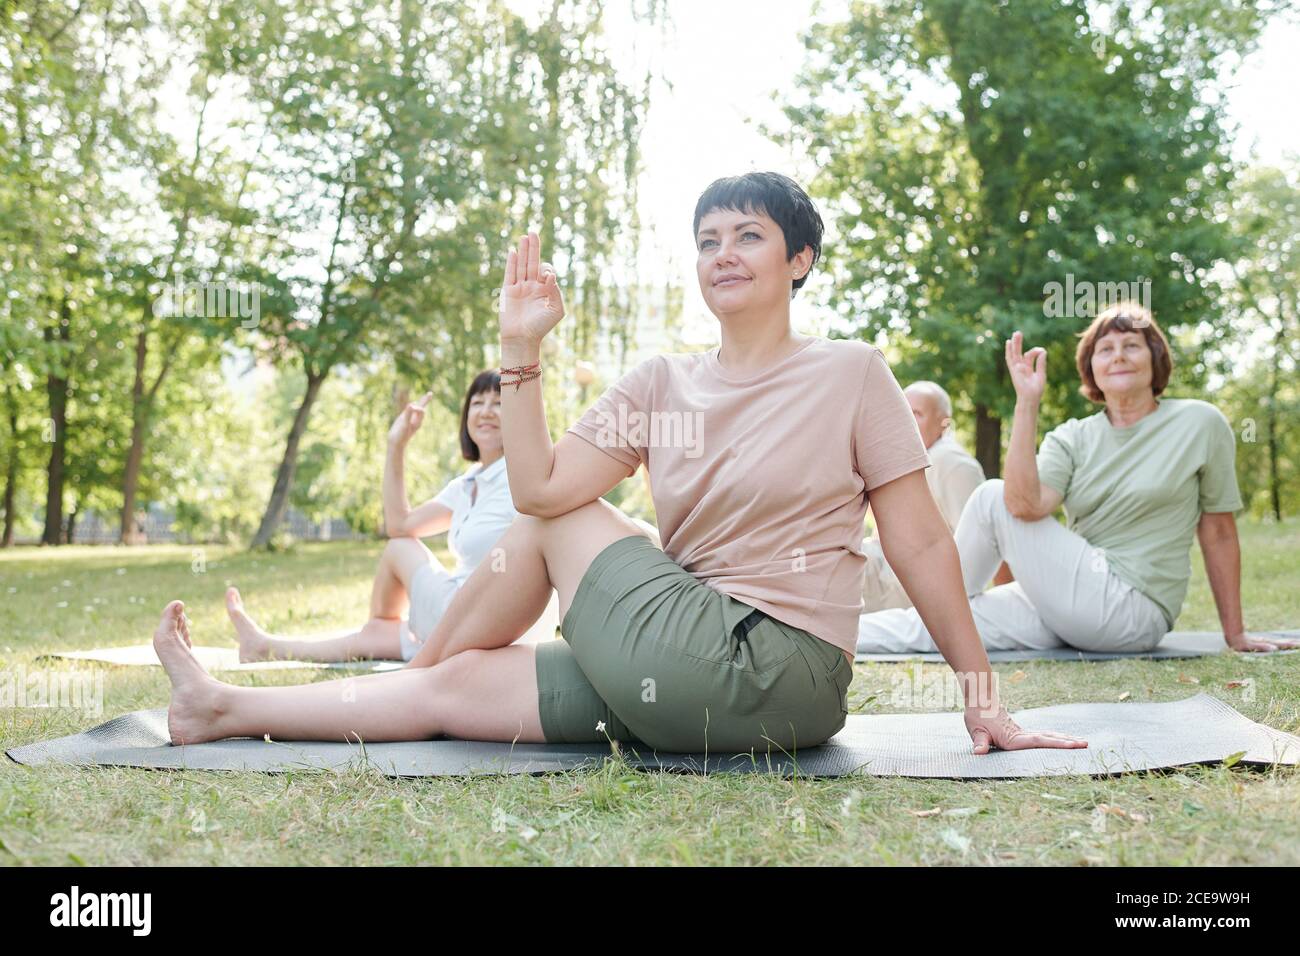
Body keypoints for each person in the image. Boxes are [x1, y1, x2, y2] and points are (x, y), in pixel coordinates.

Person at [149, 172, 1085, 756]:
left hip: (780, 670)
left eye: (749, 235)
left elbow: (920, 542)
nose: (724, 253)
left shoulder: (850, 373)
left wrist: (980, 699)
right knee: (455, 689)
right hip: (680, 676)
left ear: (800, 260)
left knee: (556, 522)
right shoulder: (659, 381)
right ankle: (221, 707)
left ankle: (401, 663)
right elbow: (537, 481)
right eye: (708, 240)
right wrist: (521, 350)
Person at [858, 302, 1300, 656]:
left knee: (989, 502)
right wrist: (1026, 403)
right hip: (1072, 599)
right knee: (937, 627)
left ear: (1156, 358)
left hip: (1132, 609)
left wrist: (1236, 632)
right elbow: (1028, 505)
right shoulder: (1073, 436)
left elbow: (1219, 531)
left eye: (1132, 345)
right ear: (1092, 369)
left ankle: (946, 596)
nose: (1119, 355)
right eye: (1105, 349)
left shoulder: (1200, 423)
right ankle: (827, 634)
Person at [225, 372, 558, 663]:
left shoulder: (522, 475)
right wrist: (395, 445)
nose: (486, 411)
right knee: (372, 638)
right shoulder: (467, 484)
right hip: (459, 614)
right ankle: (264, 646)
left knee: (399, 549)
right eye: (477, 402)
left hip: (488, 618)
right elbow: (400, 524)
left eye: (499, 403)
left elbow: (400, 537)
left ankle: (385, 626)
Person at [861, 381, 985, 611]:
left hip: (906, 586)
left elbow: (982, 541)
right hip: (888, 571)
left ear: (944, 423)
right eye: (902, 411)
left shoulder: (949, 461)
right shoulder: (908, 462)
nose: (906, 420)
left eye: (917, 414)